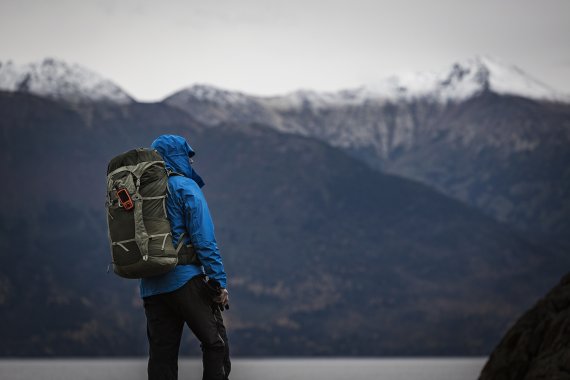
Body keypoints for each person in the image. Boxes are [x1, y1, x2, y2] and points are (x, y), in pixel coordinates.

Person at [140, 134, 230, 380]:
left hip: (151, 285)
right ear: (176, 157)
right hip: (185, 281)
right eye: (187, 156)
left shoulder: (142, 192)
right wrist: (218, 282)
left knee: (162, 356)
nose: (191, 162)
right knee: (215, 345)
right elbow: (204, 240)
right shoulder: (184, 187)